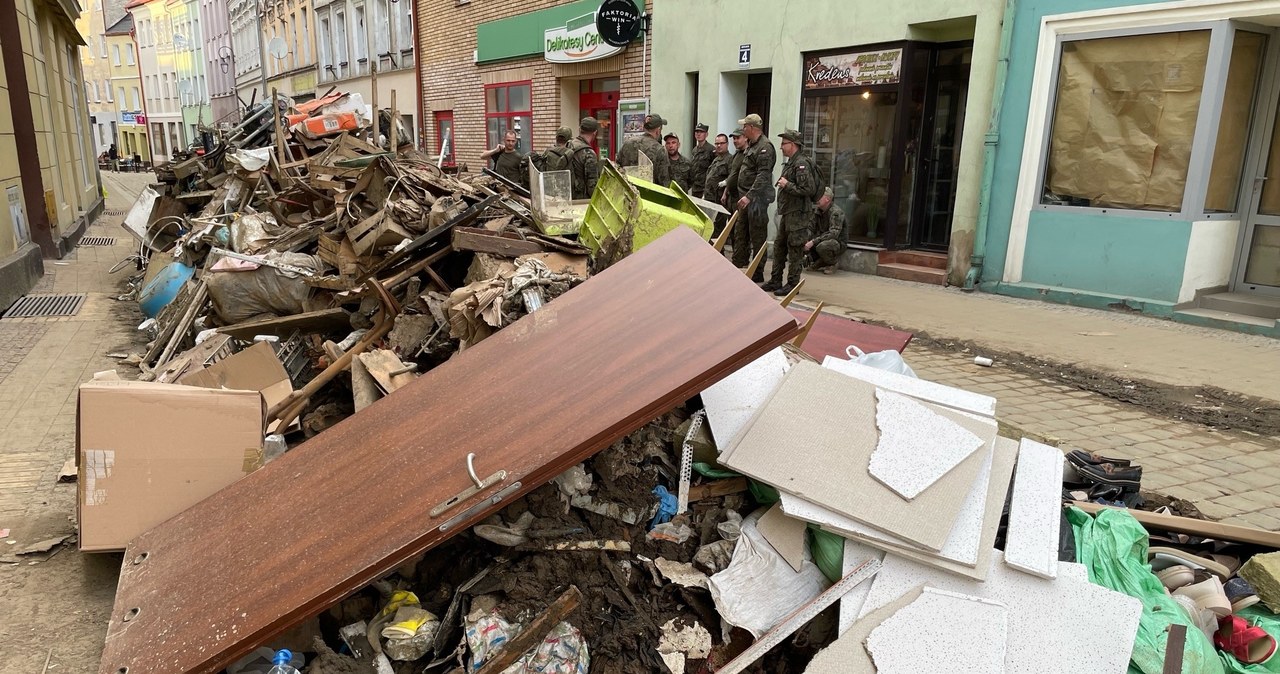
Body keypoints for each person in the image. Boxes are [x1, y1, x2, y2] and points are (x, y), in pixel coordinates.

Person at [763, 129, 816, 295]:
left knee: (795, 250)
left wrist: (787, 185)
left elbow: (808, 189)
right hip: (787, 213)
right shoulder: (792, 162)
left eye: (784, 144)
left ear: (793, 144)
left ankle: (792, 285)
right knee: (779, 247)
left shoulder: (802, 164)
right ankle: (775, 280)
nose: (781, 147)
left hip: (798, 215)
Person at [735, 114, 776, 283]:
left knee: (757, 237)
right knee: (741, 232)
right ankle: (740, 266)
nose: (743, 130)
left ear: (752, 128)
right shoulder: (753, 145)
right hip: (745, 198)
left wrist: (749, 196)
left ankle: (757, 272)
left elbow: (763, 176)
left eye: (745, 127)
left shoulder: (765, 147)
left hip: (756, 201)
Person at [616, 113, 671, 186]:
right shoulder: (660, 150)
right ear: (658, 131)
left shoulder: (628, 143)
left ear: (644, 128)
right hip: (649, 195)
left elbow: (617, 168)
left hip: (628, 192)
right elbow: (664, 181)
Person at [806, 187, 847, 275]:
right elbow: (810, 227)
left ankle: (832, 263)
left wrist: (813, 242)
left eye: (820, 196)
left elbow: (833, 234)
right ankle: (819, 261)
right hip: (822, 238)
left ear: (827, 199)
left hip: (836, 242)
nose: (817, 199)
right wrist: (805, 238)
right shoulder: (818, 211)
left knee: (823, 246)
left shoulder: (836, 213)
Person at [726, 128, 751, 267]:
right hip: (732, 197)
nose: (735, 141)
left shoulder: (748, 154)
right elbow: (732, 175)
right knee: (733, 231)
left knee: (741, 232)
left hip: (742, 198)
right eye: (733, 138)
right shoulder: (736, 155)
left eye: (738, 138)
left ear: (746, 138)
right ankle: (737, 258)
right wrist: (726, 192)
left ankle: (742, 260)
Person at [704, 133, 733, 239]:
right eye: (717, 143)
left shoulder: (730, 159)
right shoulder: (716, 159)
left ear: (727, 144)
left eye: (721, 143)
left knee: (717, 231)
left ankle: (719, 253)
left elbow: (731, 178)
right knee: (709, 229)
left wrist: (725, 193)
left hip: (719, 200)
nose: (719, 146)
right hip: (709, 199)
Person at [566, 117, 601, 200]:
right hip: (580, 201)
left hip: (566, 197)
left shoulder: (568, 144)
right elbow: (592, 186)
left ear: (579, 129)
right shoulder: (589, 153)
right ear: (595, 133)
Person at [689, 122, 714, 199]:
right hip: (695, 187)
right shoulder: (694, 150)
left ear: (706, 134)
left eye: (701, 132)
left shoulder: (711, 150)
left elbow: (713, 170)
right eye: (697, 132)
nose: (698, 134)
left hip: (705, 188)